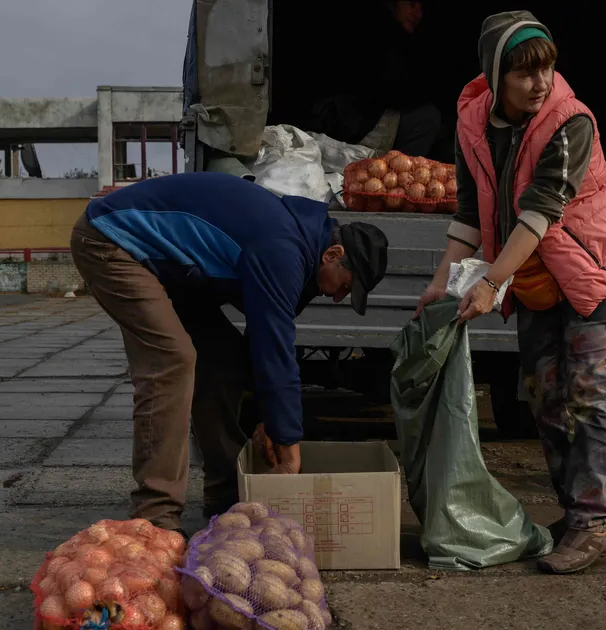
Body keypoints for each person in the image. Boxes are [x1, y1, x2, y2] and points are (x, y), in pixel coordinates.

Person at [414, 11, 606, 574]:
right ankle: (575, 511)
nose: (541, 83)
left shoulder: (571, 121)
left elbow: (540, 212)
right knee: (542, 394)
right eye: (524, 74)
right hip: (538, 274)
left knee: (588, 391)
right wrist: (442, 280)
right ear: (496, 77)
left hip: (594, 264)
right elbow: (471, 212)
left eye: (546, 69)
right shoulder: (473, 123)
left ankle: (595, 523)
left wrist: (492, 281)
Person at [70, 172, 389, 534]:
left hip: (173, 269)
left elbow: (261, 346)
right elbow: (276, 353)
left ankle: (225, 498)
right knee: (171, 360)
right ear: (333, 254)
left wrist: (270, 422)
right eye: (345, 286)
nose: (337, 297)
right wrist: (289, 450)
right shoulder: (282, 249)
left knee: (223, 361)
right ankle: (155, 517)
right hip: (112, 241)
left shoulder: (299, 253)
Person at [307, 0, 443, 157]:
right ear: (392, 3)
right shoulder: (378, 31)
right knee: (427, 117)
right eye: (411, 4)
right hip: (342, 121)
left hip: (359, 116)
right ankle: (402, 169)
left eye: (421, 8)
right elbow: (394, 91)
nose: (417, 14)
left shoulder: (403, 37)